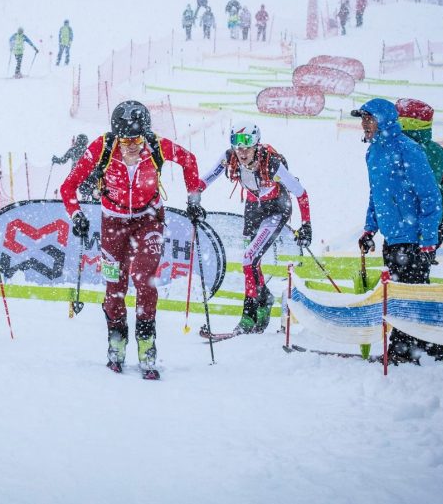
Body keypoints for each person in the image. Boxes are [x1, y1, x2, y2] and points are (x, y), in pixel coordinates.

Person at [60, 100, 205, 379]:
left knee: (143, 277)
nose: (131, 146)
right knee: (115, 284)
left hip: (148, 219)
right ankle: (116, 338)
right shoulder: (101, 147)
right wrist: (75, 213)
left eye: (136, 139)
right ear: (116, 136)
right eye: (125, 140)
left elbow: (190, 161)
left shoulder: (157, 146)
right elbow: (68, 186)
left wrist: (194, 199)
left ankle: (146, 341)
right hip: (112, 222)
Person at [353, 98, 443, 364]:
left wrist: (428, 239)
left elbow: (430, 197)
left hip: (414, 239)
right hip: (392, 237)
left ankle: (407, 351)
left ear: (384, 120)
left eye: (369, 119)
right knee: (397, 296)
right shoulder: (372, 153)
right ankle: (425, 349)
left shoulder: (408, 150)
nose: (364, 125)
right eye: (362, 119)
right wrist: (370, 229)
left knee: (412, 297)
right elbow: (376, 195)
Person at [201, 122, 312, 335]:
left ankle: (249, 315)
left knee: (248, 258)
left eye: (247, 145)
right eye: (237, 145)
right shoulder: (230, 157)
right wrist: (193, 197)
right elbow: (207, 178)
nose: (242, 151)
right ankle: (264, 299)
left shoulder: (272, 163)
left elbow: (301, 193)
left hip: (276, 209)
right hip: (254, 208)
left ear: (256, 144)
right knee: (252, 262)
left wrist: (306, 225)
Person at [396, 99, 443, 253]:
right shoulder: (436, 151)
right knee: (420, 272)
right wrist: (438, 219)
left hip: (405, 234)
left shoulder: (398, 151)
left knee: (403, 275)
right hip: (431, 230)